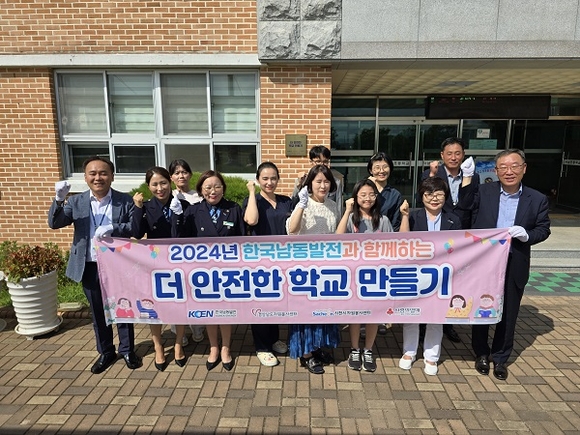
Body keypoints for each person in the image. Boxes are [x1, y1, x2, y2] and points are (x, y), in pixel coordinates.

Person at [48, 156, 142, 374]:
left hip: (118, 265)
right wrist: (59, 199)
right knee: (98, 311)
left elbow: (134, 228)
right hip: (89, 265)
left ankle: (127, 350)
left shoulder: (124, 200)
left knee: (123, 307)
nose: (98, 177)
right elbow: (55, 223)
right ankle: (106, 351)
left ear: (112, 176)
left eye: (103, 173)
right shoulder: (76, 201)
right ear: (85, 177)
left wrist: (113, 228)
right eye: (93, 173)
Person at [465, 149, 550, 380]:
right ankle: (481, 353)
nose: (508, 171)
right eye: (503, 167)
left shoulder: (537, 198)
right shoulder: (484, 191)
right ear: (496, 170)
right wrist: (466, 179)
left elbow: (543, 229)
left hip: (515, 261)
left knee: (509, 312)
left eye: (514, 166)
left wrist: (527, 235)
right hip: (485, 261)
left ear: (524, 168)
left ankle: (501, 357)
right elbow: (466, 213)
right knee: (482, 307)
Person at [174, 170, 245, 371]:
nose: (213, 191)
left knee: (225, 311)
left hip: (228, 271)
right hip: (203, 272)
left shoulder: (233, 208)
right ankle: (213, 347)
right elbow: (180, 239)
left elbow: (242, 238)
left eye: (217, 186)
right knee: (210, 311)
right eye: (208, 187)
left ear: (223, 188)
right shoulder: (193, 211)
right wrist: (177, 216)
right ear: (200, 190)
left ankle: (226, 348)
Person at [398, 177, 462, 376]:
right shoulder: (413, 216)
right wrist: (404, 217)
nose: (434, 199)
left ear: (446, 196)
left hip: (441, 276)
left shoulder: (453, 220)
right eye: (429, 194)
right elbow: (403, 241)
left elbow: (459, 248)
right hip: (415, 274)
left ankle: (431, 356)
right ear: (422, 196)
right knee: (411, 314)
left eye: (439, 194)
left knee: (436, 316)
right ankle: (409, 352)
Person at [420, 137, 478, 344]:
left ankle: (448, 325)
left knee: (452, 282)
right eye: (449, 153)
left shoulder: (472, 175)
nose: (454, 157)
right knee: (429, 281)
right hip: (435, 234)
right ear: (442, 155)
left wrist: (468, 179)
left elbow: (470, 204)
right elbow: (425, 197)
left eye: (458, 153)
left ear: (463, 155)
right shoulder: (430, 173)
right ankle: (422, 325)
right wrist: (433, 175)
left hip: (459, 233)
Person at [132, 166, 189, 372]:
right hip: (154, 264)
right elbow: (137, 233)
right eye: (154, 184)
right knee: (154, 306)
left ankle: (178, 344)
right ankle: (158, 346)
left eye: (163, 183)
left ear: (170, 182)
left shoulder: (183, 204)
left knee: (179, 304)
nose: (160, 188)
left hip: (178, 262)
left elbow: (185, 235)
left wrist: (178, 215)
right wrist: (138, 209)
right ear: (148, 187)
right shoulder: (146, 206)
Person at [286, 165, 341, 374]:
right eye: (318, 181)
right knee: (306, 312)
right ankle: (306, 353)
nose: (323, 186)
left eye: (326, 181)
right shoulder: (303, 203)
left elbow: (336, 233)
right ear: (310, 183)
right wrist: (301, 205)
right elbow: (292, 230)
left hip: (326, 267)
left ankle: (318, 347)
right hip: (305, 267)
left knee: (323, 310)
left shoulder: (333, 205)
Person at [336, 179, 393, 372]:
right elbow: (337, 238)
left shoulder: (383, 220)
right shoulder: (351, 219)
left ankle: (368, 349)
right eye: (362, 195)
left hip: (376, 276)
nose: (367, 198)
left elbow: (393, 248)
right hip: (354, 276)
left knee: (373, 315)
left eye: (371, 194)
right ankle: (354, 349)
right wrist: (347, 211)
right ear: (355, 197)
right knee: (356, 314)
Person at [243, 162, 291, 367]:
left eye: (273, 178)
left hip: (283, 260)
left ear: (278, 179)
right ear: (258, 180)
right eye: (265, 178)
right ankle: (262, 347)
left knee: (276, 301)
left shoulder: (286, 201)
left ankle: (273, 339)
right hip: (259, 260)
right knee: (261, 302)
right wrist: (251, 193)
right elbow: (251, 221)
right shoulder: (252, 200)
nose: (269, 182)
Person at [168, 159, 204, 345]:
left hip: (196, 252)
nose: (181, 176)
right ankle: (178, 332)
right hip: (174, 252)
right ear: (171, 177)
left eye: (184, 172)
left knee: (195, 290)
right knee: (177, 293)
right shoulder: (167, 195)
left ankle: (197, 328)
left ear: (190, 174)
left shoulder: (199, 196)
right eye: (176, 173)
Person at [292, 145, 344, 213]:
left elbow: (338, 207)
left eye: (325, 161)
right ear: (311, 162)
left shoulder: (336, 182)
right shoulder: (302, 180)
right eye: (318, 161)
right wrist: (299, 185)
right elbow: (293, 203)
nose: (322, 165)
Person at [367, 152, 403, 231]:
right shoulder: (362, 190)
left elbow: (395, 224)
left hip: (386, 235)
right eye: (377, 168)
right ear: (370, 170)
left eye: (385, 167)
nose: (381, 171)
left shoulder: (395, 195)